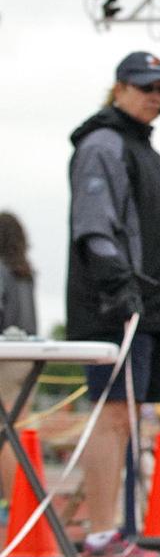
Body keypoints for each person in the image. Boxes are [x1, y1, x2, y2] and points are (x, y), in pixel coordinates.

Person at [67, 51, 160, 557]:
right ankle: (102, 534)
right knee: (113, 415)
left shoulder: (151, 157)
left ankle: (115, 527)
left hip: (149, 309)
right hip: (113, 307)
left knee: (130, 417)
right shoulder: (103, 145)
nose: (155, 95)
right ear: (119, 88)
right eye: (146, 86)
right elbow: (94, 225)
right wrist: (116, 282)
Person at [0, 211, 37, 503]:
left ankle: (13, 502)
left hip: (7, 356)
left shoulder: (2, 271)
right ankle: (21, 500)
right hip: (30, 355)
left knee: (7, 431)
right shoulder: (24, 273)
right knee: (20, 429)